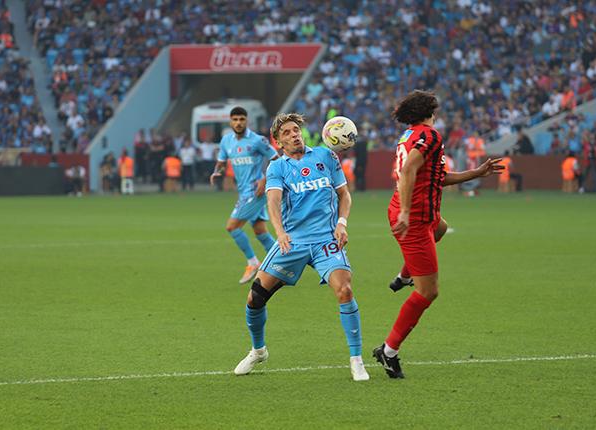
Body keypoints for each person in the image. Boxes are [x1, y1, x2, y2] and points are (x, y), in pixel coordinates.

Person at [372, 90, 503, 379]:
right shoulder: (430, 136)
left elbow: (436, 177)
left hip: (421, 214)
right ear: (430, 110)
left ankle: (405, 275)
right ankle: (388, 351)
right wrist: (406, 212)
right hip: (414, 216)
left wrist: (477, 173)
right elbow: (407, 171)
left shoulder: (409, 135)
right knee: (428, 292)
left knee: (441, 228)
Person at [233, 112, 369, 381]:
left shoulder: (326, 156)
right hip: (292, 241)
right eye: (287, 133)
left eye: (296, 130)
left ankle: (357, 360)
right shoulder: (278, 167)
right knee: (255, 298)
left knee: (345, 290)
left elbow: (344, 194)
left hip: (326, 240)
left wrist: (341, 223)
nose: (294, 134)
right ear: (279, 142)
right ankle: (258, 350)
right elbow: (273, 201)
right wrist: (280, 233)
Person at [209, 106, 279, 284]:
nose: (238, 123)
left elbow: (277, 160)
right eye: (235, 119)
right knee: (260, 231)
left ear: (247, 121)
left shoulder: (257, 140)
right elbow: (222, 161)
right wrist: (217, 171)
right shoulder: (226, 141)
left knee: (232, 227)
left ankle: (253, 263)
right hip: (243, 192)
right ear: (230, 121)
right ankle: (282, 266)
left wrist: (264, 180)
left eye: (242, 119)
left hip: (255, 192)